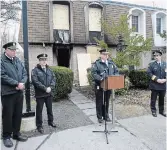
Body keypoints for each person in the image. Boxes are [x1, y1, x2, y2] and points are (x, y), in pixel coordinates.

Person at [1, 42, 28, 148]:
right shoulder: (1, 60)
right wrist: (16, 84)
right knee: (7, 116)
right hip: (8, 93)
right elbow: (2, 76)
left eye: (15, 50)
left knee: (18, 114)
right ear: (6, 50)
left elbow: (24, 73)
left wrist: (22, 83)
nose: (14, 52)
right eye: (12, 50)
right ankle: (6, 136)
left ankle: (16, 133)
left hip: (19, 92)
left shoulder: (17, 60)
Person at [91, 49, 119, 123]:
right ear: (101, 55)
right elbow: (94, 74)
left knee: (106, 101)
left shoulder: (111, 63)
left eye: (107, 54)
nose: (106, 55)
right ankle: (99, 117)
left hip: (109, 85)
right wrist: (101, 79)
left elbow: (116, 71)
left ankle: (106, 115)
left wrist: (114, 77)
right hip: (99, 86)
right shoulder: (97, 63)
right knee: (99, 101)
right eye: (104, 54)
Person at [31, 53, 56, 134]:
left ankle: (50, 122)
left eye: (45, 59)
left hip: (48, 94)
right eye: (42, 60)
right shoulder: (35, 70)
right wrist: (45, 89)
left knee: (50, 109)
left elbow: (53, 79)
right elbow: (35, 82)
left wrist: (50, 87)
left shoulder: (49, 69)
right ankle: (39, 126)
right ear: (39, 61)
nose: (44, 61)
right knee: (39, 111)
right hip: (40, 95)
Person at [147, 50, 166, 117]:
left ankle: (161, 111)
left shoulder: (165, 64)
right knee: (153, 99)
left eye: (157, 55)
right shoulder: (152, 65)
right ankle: (153, 111)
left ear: (160, 56)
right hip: (154, 85)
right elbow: (149, 73)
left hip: (163, 85)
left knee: (162, 99)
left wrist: (165, 79)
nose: (156, 57)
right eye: (154, 56)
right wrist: (157, 79)